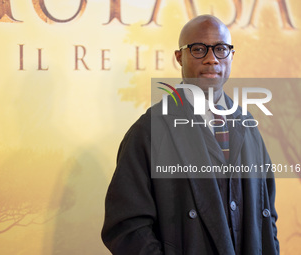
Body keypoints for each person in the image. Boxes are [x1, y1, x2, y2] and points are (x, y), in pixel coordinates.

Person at [102, 15, 279, 255]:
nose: (211, 59)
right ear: (179, 57)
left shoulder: (248, 127)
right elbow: (126, 228)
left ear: (231, 56)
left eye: (220, 49)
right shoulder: (150, 131)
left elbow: (267, 216)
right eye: (198, 49)